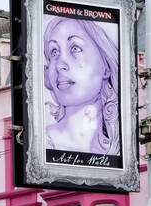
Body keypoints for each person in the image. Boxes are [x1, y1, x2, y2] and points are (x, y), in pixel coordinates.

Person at [42, 16, 121, 158]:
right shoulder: (40, 142)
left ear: (106, 67)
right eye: (54, 52)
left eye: (75, 48)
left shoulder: (119, 145)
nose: (60, 65)